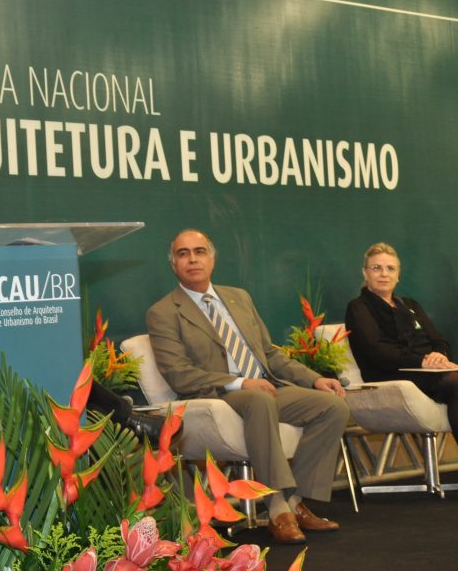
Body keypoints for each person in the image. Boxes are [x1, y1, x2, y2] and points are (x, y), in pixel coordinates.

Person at [146, 229, 349, 545]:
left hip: (267, 387)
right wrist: (239, 382)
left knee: (333, 406)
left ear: (212, 259)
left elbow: (268, 353)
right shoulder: (163, 312)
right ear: (173, 265)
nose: (192, 259)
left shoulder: (239, 297)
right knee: (257, 399)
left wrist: (313, 379)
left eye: (199, 251)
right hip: (219, 394)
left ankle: (295, 501)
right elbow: (178, 374)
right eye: (183, 254)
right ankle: (277, 507)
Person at [345, 243, 458, 499]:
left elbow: (440, 341)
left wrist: (438, 356)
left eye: (390, 268)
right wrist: (423, 360)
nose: (384, 274)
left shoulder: (410, 305)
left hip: (427, 369)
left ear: (398, 275)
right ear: (365, 273)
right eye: (376, 268)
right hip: (391, 373)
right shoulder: (359, 307)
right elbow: (375, 351)